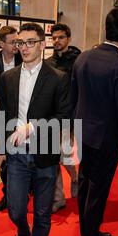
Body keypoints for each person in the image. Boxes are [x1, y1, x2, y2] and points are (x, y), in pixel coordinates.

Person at [0, 23, 70, 236]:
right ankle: (21, 231)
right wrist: (0, 149)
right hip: (16, 154)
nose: (24, 48)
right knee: (15, 209)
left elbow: (64, 117)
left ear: (42, 44)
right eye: (20, 43)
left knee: (42, 213)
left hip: (45, 156)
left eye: (29, 42)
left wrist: (32, 127)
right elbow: (2, 114)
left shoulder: (58, 78)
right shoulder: (8, 77)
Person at [72, 7, 118, 236]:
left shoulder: (83, 57)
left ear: (105, 27)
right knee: (97, 191)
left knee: (85, 185)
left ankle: (87, 233)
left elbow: (73, 97)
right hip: (106, 138)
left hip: (82, 133)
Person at [45, 23, 81, 213]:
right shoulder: (48, 62)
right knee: (53, 158)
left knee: (65, 157)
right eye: (54, 37)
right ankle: (58, 198)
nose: (57, 41)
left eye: (61, 37)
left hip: (71, 117)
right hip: (52, 118)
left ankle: (75, 179)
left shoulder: (79, 61)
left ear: (68, 39)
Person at [0, 26, 23, 212]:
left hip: (22, 119)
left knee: (21, 159)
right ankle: (8, 195)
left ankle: (21, 192)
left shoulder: (24, 60)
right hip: (0, 119)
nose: (16, 45)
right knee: (3, 160)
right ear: (1, 43)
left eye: (18, 41)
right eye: (12, 42)